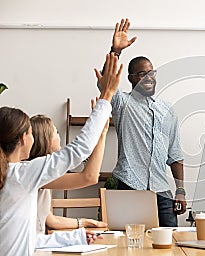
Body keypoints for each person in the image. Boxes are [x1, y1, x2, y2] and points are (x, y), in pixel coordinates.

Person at [0, 53, 121, 256]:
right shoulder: (22, 175)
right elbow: (78, 150)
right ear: (22, 139)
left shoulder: (13, 177)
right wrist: (107, 95)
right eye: (30, 133)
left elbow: (29, 239)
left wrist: (78, 236)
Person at [97, 18, 186, 227]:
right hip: (130, 186)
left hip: (162, 190)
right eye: (142, 73)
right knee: (131, 245)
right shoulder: (123, 103)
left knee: (169, 243)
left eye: (151, 72)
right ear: (130, 78)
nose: (149, 77)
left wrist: (180, 190)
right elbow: (105, 81)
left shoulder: (168, 111)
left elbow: (175, 155)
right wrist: (115, 51)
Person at [30, 100, 107, 235]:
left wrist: (86, 222)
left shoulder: (44, 174)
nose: (59, 137)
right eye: (56, 132)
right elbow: (89, 177)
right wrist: (101, 134)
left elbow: (50, 220)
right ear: (45, 140)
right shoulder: (37, 173)